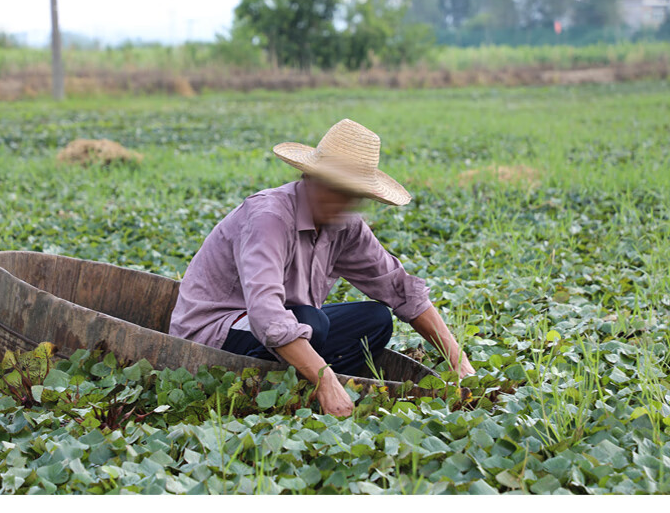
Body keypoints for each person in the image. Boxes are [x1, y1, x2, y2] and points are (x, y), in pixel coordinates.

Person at [168, 118, 475, 417]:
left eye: (351, 194)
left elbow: (399, 289)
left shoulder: (344, 226)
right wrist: (326, 377)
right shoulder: (269, 217)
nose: (342, 203)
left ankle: (300, 376)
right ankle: (306, 381)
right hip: (215, 333)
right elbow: (265, 313)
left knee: (376, 319)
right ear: (311, 178)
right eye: (335, 189)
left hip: (289, 325)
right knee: (312, 321)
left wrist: (458, 361)